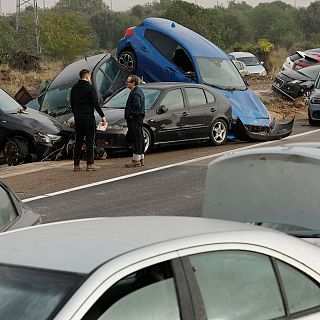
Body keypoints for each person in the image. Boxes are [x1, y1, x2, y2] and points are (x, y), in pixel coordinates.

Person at [70, 69, 107, 172]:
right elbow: (95, 103)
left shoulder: (74, 88)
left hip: (78, 118)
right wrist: (102, 116)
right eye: (90, 76)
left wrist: (76, 114)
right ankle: (90, 164)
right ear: (87, 76)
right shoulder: (90, 88)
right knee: (90, 141)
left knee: (79, 141)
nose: (90, 78)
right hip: (88, 118)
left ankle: (76, 164)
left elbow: (72, 103)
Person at [124, 75, 145, 168]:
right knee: (139, 137)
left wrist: (131, 114)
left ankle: (136, 160)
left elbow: (137, 105)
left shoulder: (135, 93)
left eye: (128, 81)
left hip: (135, 118)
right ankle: (140, 158)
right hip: (138, 118)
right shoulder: (138, 91)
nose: (126, 83)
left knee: (136, 138)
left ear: (133, 83)